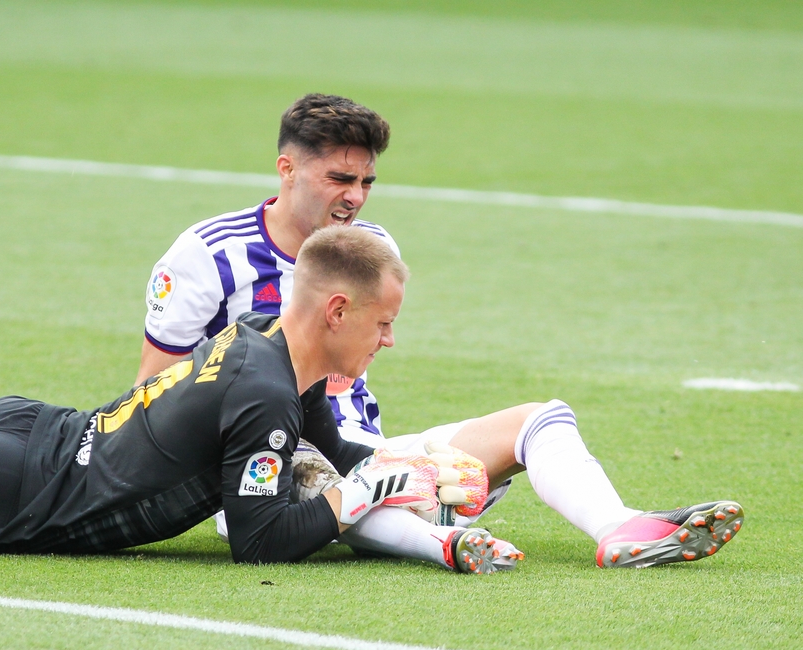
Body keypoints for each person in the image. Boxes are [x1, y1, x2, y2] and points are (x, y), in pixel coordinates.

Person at [129, 92, 745, 571]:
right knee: (355, 479)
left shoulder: (371, 248)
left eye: (367, 181)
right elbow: (153, 394)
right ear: (287, 169)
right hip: (267, 471)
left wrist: (408, 462)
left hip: (364, 449)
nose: (356, 197)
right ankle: (442, 540)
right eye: (339, 179)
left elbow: (353, 384)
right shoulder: (206, 256)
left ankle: (618, 527)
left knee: (541, 418)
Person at [0, 227, 508, 567]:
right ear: (337, 313)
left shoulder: (266, 339)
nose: (388, 340)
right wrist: (363, 495)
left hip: (21, 433)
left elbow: (335, 444)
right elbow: (260, 542)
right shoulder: (266, 396)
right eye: (383, 323)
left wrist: (411, 466)